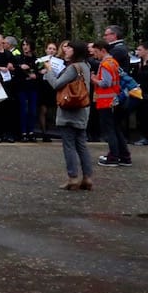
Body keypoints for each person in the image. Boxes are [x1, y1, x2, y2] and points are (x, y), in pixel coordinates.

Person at [46, 41, 94, 191]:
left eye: (69, 48)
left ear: (76, 51)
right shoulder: (86, 66)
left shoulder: (73, 67)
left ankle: (73, 177)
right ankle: (87, 177)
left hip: (69, 111)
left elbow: (56, 84)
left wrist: (49, 71)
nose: (66, 50)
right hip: (82, 109)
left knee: (69, 145)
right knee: (81, 145)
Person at [91, 39, 131, 167]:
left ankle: (114, 156)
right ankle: (124, 155)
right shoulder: (113, 62)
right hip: (114, 100)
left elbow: (105, 83)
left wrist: (94, 79)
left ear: (103, 50)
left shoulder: (105, 64)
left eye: (96, 52)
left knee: (110, 130)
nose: (95, 55)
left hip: (107, 101)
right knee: (116, 129)